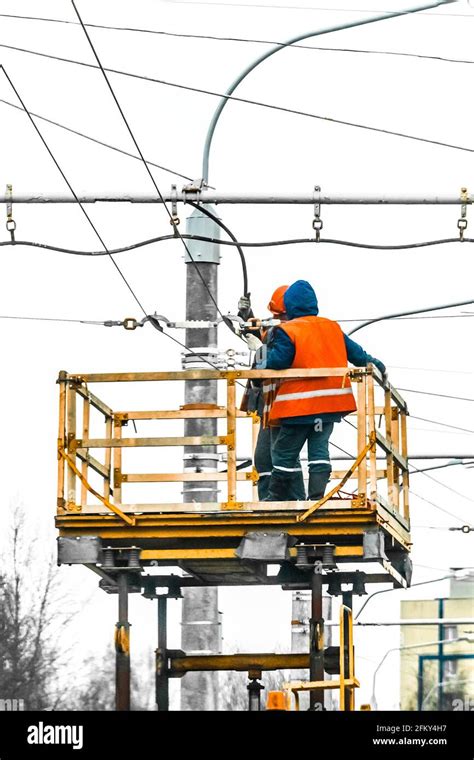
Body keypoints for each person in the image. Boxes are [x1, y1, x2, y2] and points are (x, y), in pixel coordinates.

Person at [258, 280, 386, 502]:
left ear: (290, 306)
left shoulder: (288, 330)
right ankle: (316, 498)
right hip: (330, 406)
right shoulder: (332, 327)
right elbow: (359, 356)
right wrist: (378, 366)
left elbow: (278, 361)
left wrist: (261, 355)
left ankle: (274, 499)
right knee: (319, 451)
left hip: (298, 407)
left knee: (284, 454)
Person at [239, 286, 306, 501]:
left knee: (283, 456)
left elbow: (274, 360)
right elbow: (263, 335)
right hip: (270, 405)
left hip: (284, 404)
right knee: (265, 458)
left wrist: (259, 349)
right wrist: (247, 316)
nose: (275, 318)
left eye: (279, 315)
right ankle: (269, 501)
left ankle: (294, 500)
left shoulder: (293, 333)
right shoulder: (278, 330)